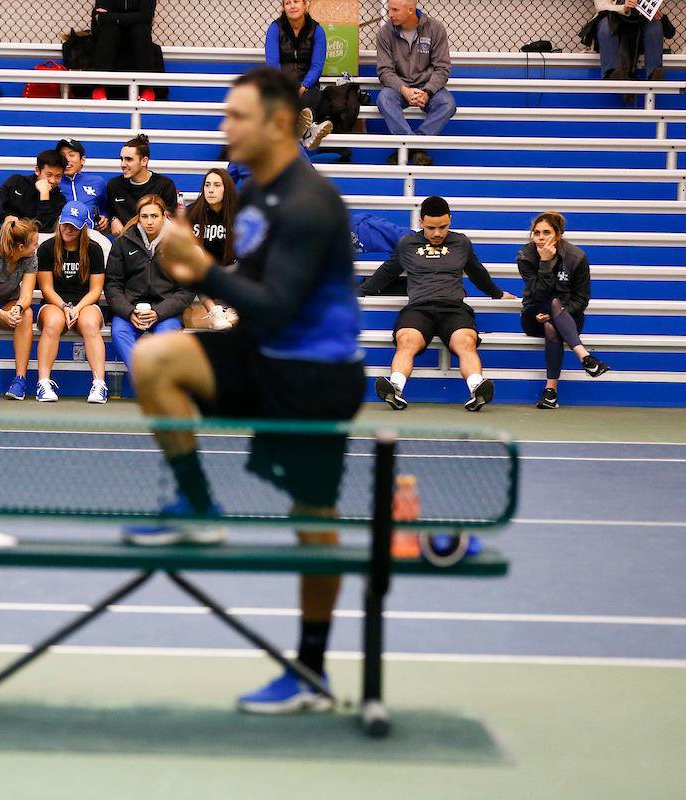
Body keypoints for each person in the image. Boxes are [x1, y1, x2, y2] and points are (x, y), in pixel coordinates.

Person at [128, 67, 365, 714]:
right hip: (264, 352)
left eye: (237, 116)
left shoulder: (314, 203)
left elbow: (280, 306)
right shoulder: (256, 194)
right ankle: (199, 508)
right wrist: (193, 272)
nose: (224, 127)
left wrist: (202, 269)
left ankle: (311, 672)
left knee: (312, 523)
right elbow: (251, 288)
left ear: (279, 124)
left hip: (315, 376)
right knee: (155, 361)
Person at [360, 195, 518, 411]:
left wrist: (498, 294)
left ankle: (476, 390)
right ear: (421, 222)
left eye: (443, 227)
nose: (437, 233)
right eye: (432, 227)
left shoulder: (461, 243)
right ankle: (395, 388)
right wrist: (357, 292)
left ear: (450, 220)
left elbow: (477, 273)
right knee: (406, 339)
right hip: (419, 308)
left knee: (466, 341)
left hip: (453, 308)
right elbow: (386, 274)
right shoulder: (407, 244)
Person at [517, 212, 610, 409]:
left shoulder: (576, 257)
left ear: (558, 235)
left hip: (569, 317)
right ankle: (585, 357)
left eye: (547, 232)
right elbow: (539, 295)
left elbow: (582, 299)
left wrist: (558, 313)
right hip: (534, 314)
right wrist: (544, 262)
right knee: (552, 303)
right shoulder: (526, 255)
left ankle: (551, 393)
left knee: (552, 324)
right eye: (537, 233)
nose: (541, 237)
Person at [104, 195, 193, 372]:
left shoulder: (179, 243)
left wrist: (159, 312)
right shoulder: (123, 241)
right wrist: (129, 312)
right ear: (138, 217)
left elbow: (187, 290)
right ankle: (146, 379)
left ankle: (153, 385)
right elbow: (112, 284)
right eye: (144, 216)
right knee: (119, 332)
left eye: (154, 216)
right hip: (131, 311)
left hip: (166, 313)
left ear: (164, 215)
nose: (149, 221)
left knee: (166, 339)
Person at [35, 202, 108, 403]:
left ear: (84, 226)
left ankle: (99, 384)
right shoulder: (47, 248)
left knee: (90, 323)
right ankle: (43, 382)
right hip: (54, 303)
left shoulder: (94, 250)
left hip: (85, 304)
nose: (68, 229)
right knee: (53, 322)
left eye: (74, 226)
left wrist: (78, 308)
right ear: (59, 221)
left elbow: (96, 289)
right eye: (65, 224)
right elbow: (47, 288)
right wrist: (64, 307)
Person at [375, 0, 455, 166]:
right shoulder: (385, 32)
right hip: (399, 87)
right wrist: (404, 90)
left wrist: (428, 92)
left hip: (428, 87)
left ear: (410, 9)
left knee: (448, 104)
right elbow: (385, 71)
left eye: (395, 10)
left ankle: (409, 146)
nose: (390, 14)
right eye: (390, 9)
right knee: (384, 99)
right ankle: (417, 147)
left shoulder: (435, 28)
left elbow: (442, 68)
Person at [0, 218, 40, 400]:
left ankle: (19, 380)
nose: (38, 246)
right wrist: (2, 314)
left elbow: (26, 296)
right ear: (20, 247)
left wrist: (17, 309)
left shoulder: (31, 257)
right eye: (34, 243)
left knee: (27, 313)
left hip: (7, 306)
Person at [265, 0, 334, 150]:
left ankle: (303, 130)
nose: (293, 6)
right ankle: (309, 131)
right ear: (283, 7)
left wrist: (303, 85)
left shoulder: (317, 30)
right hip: (281, 84)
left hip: (308, 84)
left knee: (309, 99)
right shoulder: (275, 28)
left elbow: (317, 66)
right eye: (288, 3)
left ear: (305, 4)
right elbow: (273, 64)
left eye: (296, 1)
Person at [185, 168, 240, 330]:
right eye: (207, 185)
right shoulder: (192, 212)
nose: (210, 190)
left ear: (226, 188)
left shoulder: (239, 212)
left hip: (232, 270)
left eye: (217, 185)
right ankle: (214, 312)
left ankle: (234, 309)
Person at [106, 134, 178, 236]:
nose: (123, 164)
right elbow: (109, 212)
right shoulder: (114, 185)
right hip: (124, 245)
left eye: (129, 159)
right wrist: (113, 219)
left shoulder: (165, 185)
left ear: (144, 161)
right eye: (121, 159)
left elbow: (169, 222)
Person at [89, 0, 159, 102]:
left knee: (141, 30)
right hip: (112, 34)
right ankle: (100, 87)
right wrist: (136, 17)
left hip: (135, 34)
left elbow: (146, 16)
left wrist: (110, 17)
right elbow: (99, 16)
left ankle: (147, 89)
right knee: (109, 30)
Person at [588, 0, 668, 81]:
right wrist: (624, 8)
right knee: (605, 21)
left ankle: (654, 72)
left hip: (640, 27)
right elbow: (602, 7)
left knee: (655, 22)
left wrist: (649, 10)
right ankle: (611, 72)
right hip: (614, 24)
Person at [0, 149, 66, 233]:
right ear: (37, 171)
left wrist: (44, 195)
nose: (53, 180)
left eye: (58, 176)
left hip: (29, 236)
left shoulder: (59, 199)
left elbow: (46, 228)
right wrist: (6, 216)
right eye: (48, 175)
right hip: (5, 229)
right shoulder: (16, 181)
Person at [57, 138, 109, 231]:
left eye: (71, 155)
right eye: (62, 155)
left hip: (91, 236)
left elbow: (106, 209)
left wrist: (105, 218)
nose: (67, 159)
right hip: (61, 235)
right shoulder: (53, 183)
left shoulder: (98, 182)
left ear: (82, 160)